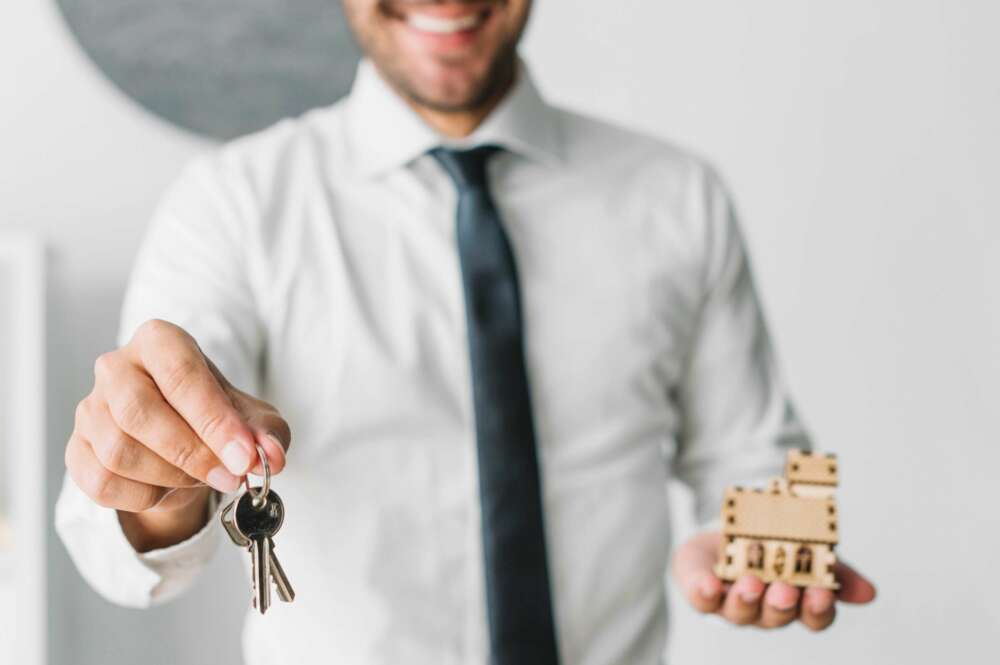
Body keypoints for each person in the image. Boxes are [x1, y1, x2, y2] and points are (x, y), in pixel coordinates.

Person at [56, 1, 876, 663]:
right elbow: (118, 543)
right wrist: (161, 480)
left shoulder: (678, 197)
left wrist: (759, 548)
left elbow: (753, 455)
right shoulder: (231, 205)